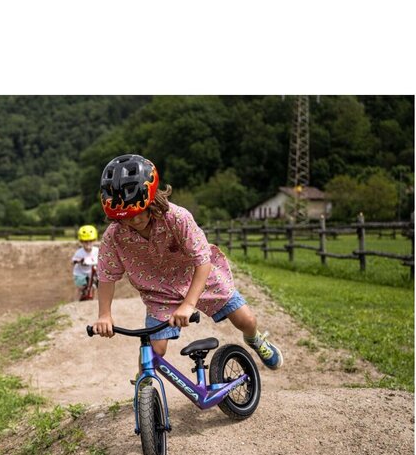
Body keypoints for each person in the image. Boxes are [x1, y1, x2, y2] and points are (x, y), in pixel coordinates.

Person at [91, 153, 283, 370]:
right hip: (159, 292)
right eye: (124, 216)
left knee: (246, 320)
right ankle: (144, 383)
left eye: (137, 212)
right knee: (154, 349)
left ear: (151, 199)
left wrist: (189, 305)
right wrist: (104, 314)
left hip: (200, 277)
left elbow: (203, 260)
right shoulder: (114, 235)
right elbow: (106, 275)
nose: (133, 220)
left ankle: (255, 339)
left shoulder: (177, 218)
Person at [72, 225, 99, 301]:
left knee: (95, 286)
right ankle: (77, 301)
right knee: (81, 287)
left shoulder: (96, 251)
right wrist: (80, 261)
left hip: (92, 273)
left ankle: (93, 301)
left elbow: (102, 259)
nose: (88, 243)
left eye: (90, 241)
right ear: (81, 242)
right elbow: (73, 261)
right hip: (80, 274)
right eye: (85, 242)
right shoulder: (79, 252)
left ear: (94, 241)